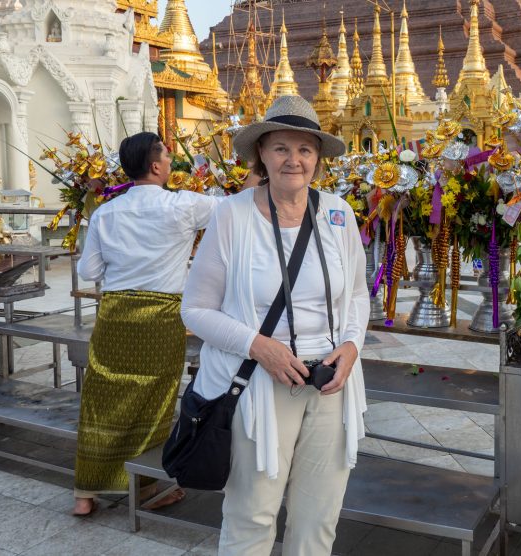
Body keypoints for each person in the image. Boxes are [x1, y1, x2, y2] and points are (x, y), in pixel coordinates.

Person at [181, 95, 369, 555]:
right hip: (259, 385)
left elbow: (357, 294)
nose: (293, 160)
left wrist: (351, 344)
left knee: (318, 517)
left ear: (318, 158)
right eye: (282, 148)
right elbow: (196, 309)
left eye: (305, 149)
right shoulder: (232, 215)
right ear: (261, 153)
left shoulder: (338, 213)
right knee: (253, 515)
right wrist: (258, 345)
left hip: (329, 382)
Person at [73, 132, 219, 516]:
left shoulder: (105, 212)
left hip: (115, 316)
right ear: (155, 166)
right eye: (167, 157)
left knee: (101, 399)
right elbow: (236, 208)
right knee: (154, 404)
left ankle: (85, 493)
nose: (171, 162)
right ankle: (147, 490)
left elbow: (88, 271)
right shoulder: (183, 205)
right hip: (159, 319)